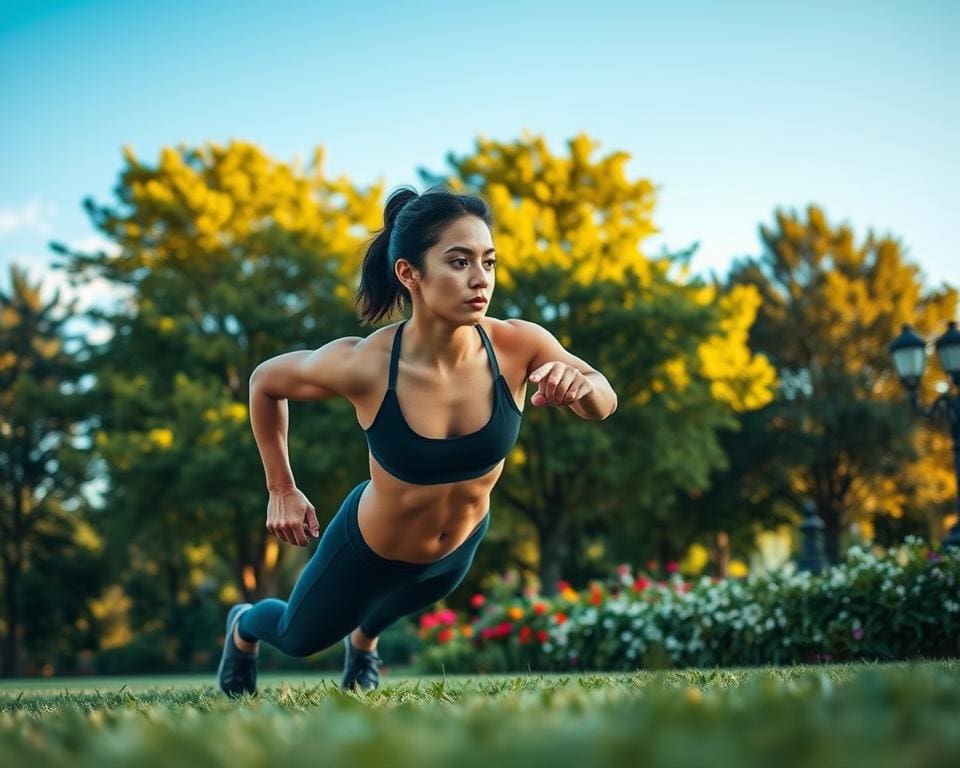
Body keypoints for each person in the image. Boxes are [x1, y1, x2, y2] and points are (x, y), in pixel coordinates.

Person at [217, 185, 618, 697]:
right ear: (410, 274)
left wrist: (583, 389)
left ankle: (364, 643)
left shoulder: (519, 344)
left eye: (489, 262)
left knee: (389, 608)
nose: (481, 280)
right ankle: (243, 627)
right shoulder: (366, 364)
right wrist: (281, 488)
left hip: (456, 551)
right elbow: (264, 382)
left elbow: (604, 398)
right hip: (368, 550)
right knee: (299, 638)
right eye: (459, 262)